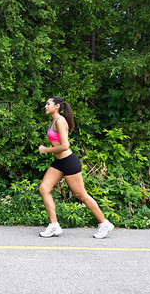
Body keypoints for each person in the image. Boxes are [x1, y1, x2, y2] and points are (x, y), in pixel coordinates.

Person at [38, 96, 114, 239]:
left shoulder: (60, 121)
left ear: (57, 106)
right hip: (59, 163)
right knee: (44, 188)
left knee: (81, 195)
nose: (45, 106)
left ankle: (104, 223)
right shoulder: (54, 121)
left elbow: (65, 146)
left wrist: (46, 150)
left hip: (69, 161)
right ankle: (54, 225)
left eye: (48, 104)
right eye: (46, 104)